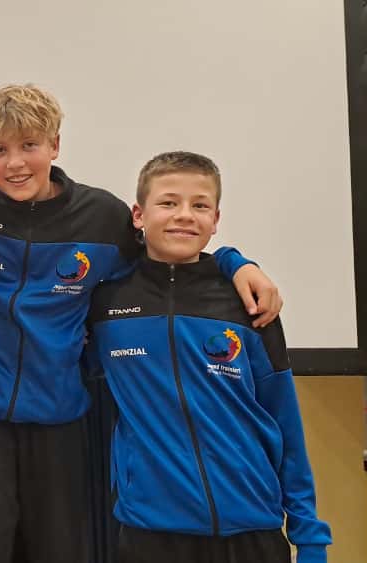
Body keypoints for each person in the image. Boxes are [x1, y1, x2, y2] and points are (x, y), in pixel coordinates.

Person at [0, 85, 282, 562]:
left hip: (62, 411)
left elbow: (168, 247)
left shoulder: (101, 216)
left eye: (29, 145)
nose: (15, 163)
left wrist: (234, 261)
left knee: (61, 549)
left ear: (55, 145)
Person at [87, 151, 331, 563]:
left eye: (200, 206)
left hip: (252, 527)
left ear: (216, 220)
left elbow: (284, 421)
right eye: (168, 202)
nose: (185, 215)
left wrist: (309, 537)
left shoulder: (248, 303)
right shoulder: (105, 303)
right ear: (138, 215)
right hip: (150, 531)